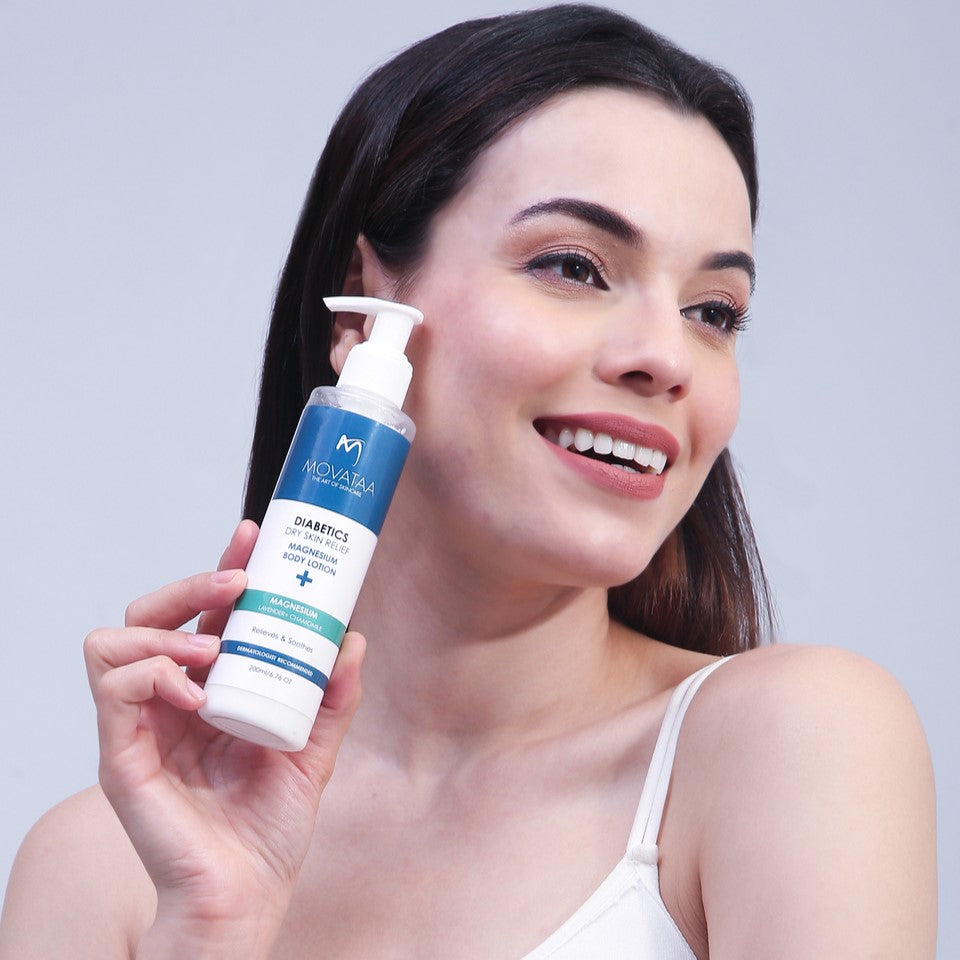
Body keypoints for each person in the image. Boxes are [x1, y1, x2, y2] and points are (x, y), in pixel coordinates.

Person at [0, 5, 936, 958]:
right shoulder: (106, 869)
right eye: (574, 266)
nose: (666, 356)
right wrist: (212, 926)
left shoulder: (792, 744)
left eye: (714, 311)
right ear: (365, 314)